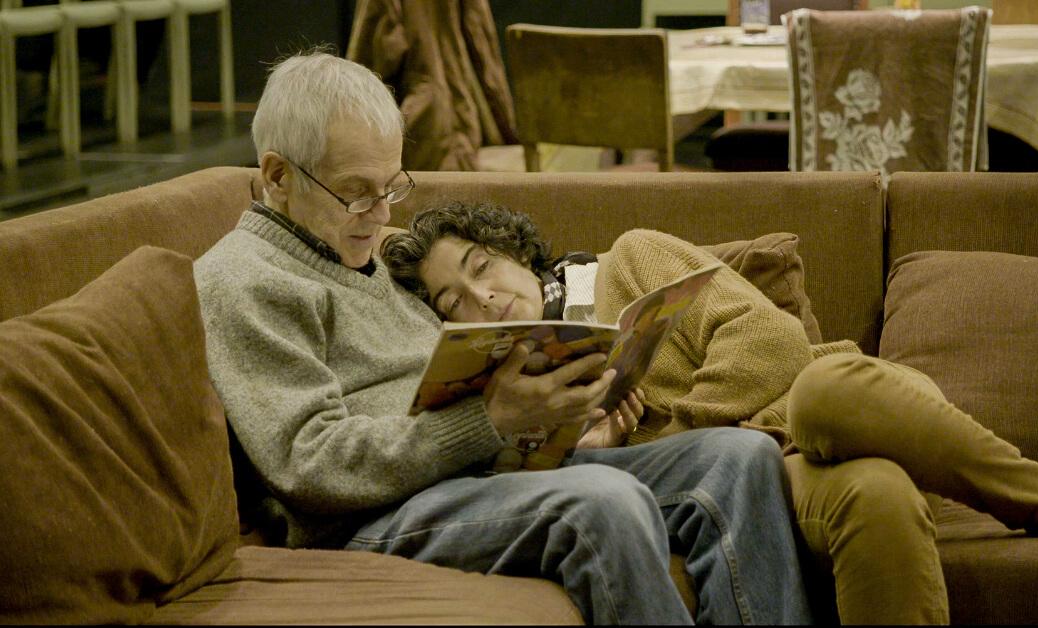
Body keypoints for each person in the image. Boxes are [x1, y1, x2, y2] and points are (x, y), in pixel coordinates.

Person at [193, 49, 812, 625]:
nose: (382, 215)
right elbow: (309, 465)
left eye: (391, 187)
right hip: (367, 516)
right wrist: (489, 420)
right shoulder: (243, 280)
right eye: (357, 193)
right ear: (276, 175)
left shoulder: (356, 251)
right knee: (603, 502)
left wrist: (553, 410)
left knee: (738, 459)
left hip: (472, 476)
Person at [381, 199, 1038, 625]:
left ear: (513, 247)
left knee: (826, 392)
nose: (482, 298)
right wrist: (601, 449)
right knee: (878, 497)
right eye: (455, 301)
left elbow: (770, 342)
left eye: (480, 269)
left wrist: (678, 430)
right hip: (771, 480)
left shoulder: (629, 261)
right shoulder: (501, 389)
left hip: (824, 418)